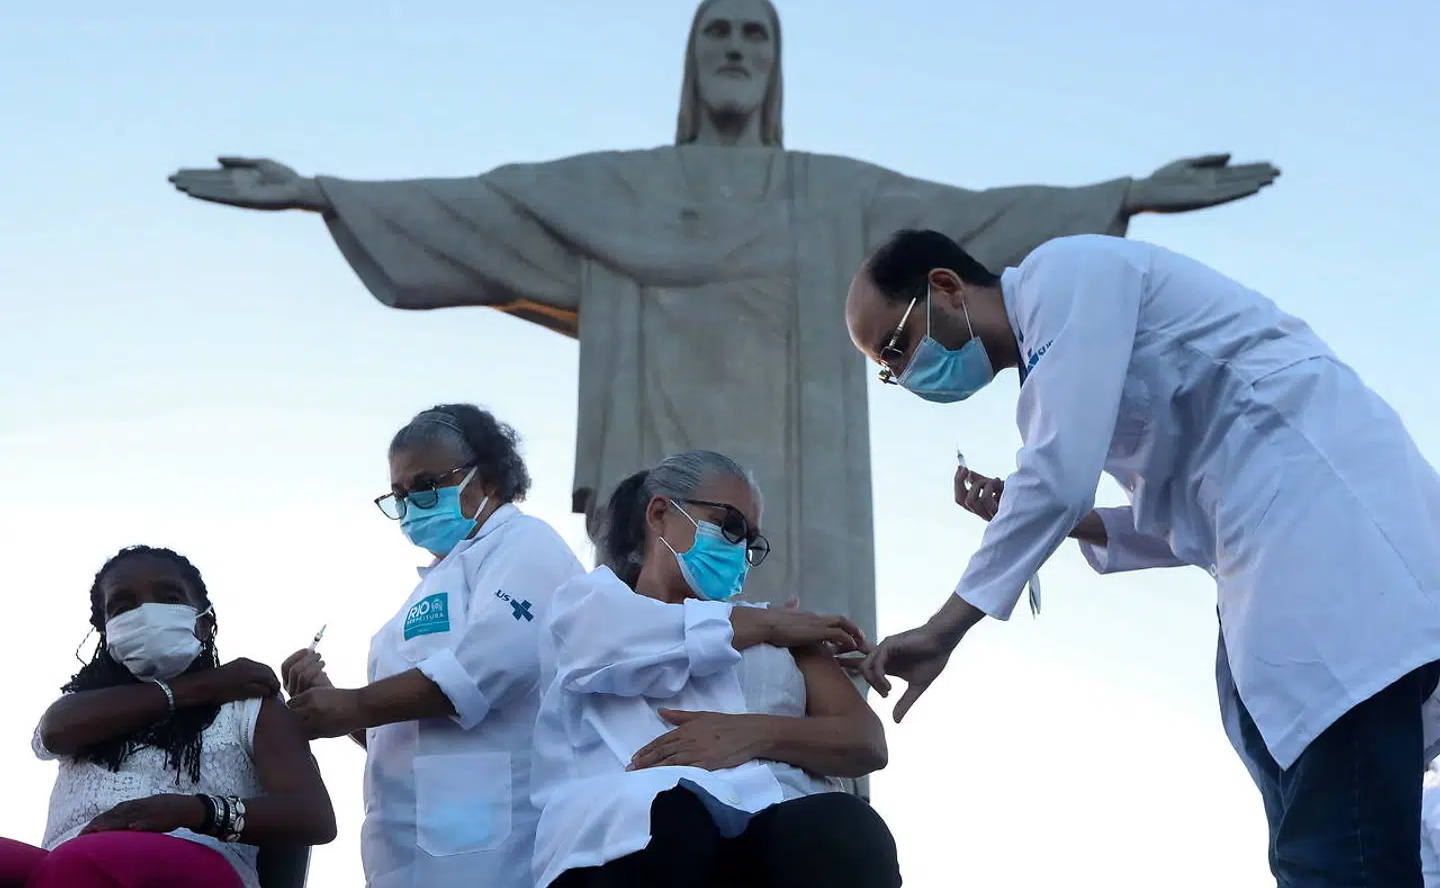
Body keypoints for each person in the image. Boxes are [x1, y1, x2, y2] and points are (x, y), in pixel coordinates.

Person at [843, 228, 1440, 886]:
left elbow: (1059, 475)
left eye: (896, 346)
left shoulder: (1062, 276)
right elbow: (1181, 517)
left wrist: (942, 629)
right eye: (889, 370)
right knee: (1313, 851)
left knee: (1340, 855)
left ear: (947, 288)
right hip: (1279, 570)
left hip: (1333, 553)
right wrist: (1060, 519)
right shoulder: (1059, 358)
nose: (903, 375)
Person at [530, 450, 901, 888]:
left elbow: (866, 741)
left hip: (775, 827)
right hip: (633, 843)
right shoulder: (590, 608)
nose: (740, 548)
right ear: (661, 514)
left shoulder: (788, 636)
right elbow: (607, 646)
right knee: (669, 815)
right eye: (731, 526)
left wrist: (752, 734)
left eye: (750, 540)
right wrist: (766, 622)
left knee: (845, 827)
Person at [280, 403, 585, 888]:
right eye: (399, 493)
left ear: (487, 480)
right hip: (409, 852)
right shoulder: (432, 585)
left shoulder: (526, 545)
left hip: (495, 853)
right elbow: (405, 735)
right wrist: (341, 707)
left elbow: (490, 667)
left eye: (425, 485)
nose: (410, 504)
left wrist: (355, 703)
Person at [0, 545, 336, 888]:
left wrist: (194, 811)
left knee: (89, 860)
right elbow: (55, 730)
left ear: (204, 624)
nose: (146, 612)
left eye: (169, 598)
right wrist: (205, 685)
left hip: (196, 859)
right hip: (63, 864)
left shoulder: (248, 705)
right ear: (107, 631)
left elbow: (314, 816)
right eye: (123, 606)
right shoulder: (86, 707)